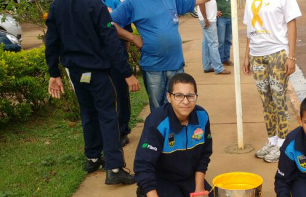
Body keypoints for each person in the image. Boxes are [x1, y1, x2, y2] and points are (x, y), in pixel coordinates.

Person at [45, 0, 140, 185]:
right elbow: (110, 39)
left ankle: (93, 158)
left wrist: (53, 72)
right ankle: (114, 168)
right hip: (96, 72)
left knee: (88, 113)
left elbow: (52, 39)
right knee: (108, 116)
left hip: (76, 72)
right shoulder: (95, 5)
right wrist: (127, 73)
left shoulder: (57, 5)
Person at [134, 73, 214, 197]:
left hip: (188, 175)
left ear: (196, 97)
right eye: (179, 96)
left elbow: (204, 155)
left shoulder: (202, 116)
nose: (185, 101)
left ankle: (183, 195)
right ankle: (145, 193)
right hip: (162, 178)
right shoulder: (157, 121)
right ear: (169, 97)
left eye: (190, 96)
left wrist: (199, 189)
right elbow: (143, 166)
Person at [111, 0, 212, 111]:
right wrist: (133, 37)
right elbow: (108, 24)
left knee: (179, 107)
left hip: (176, 65)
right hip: (153, 67)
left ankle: (176, 129)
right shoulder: (132, 3)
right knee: (158, 110)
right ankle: (159, 129)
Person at [242, 0, 302, 163]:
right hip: (257, 56)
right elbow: (250, 30)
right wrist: (247, 56)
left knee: (278, 100)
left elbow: (292, 24)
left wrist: (291, 56)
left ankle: (282, 144)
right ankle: (272, 141)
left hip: (277, 53)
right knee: (266, 101)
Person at [103, 0, 134, 147]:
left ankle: (122, 130)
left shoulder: (119, 3)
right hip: (99, 58)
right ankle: (107, 132)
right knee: (103, 97)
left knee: (121, 93)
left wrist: (124, 57)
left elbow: (127, 31)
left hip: (118, 56)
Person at [198, 0, 230, 75]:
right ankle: (218, 68)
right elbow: (201, 3)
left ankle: (207, 66)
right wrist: (205, 18)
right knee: (213, 43)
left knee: (206, 42)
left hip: (209, 18)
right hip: (208, 19)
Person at [216, 0, 233, 66]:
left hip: (230, 17)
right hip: (221, 18)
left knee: (228, 40)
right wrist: (214, 11)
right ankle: (220, 59)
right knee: (221, 41)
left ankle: (226, 59)